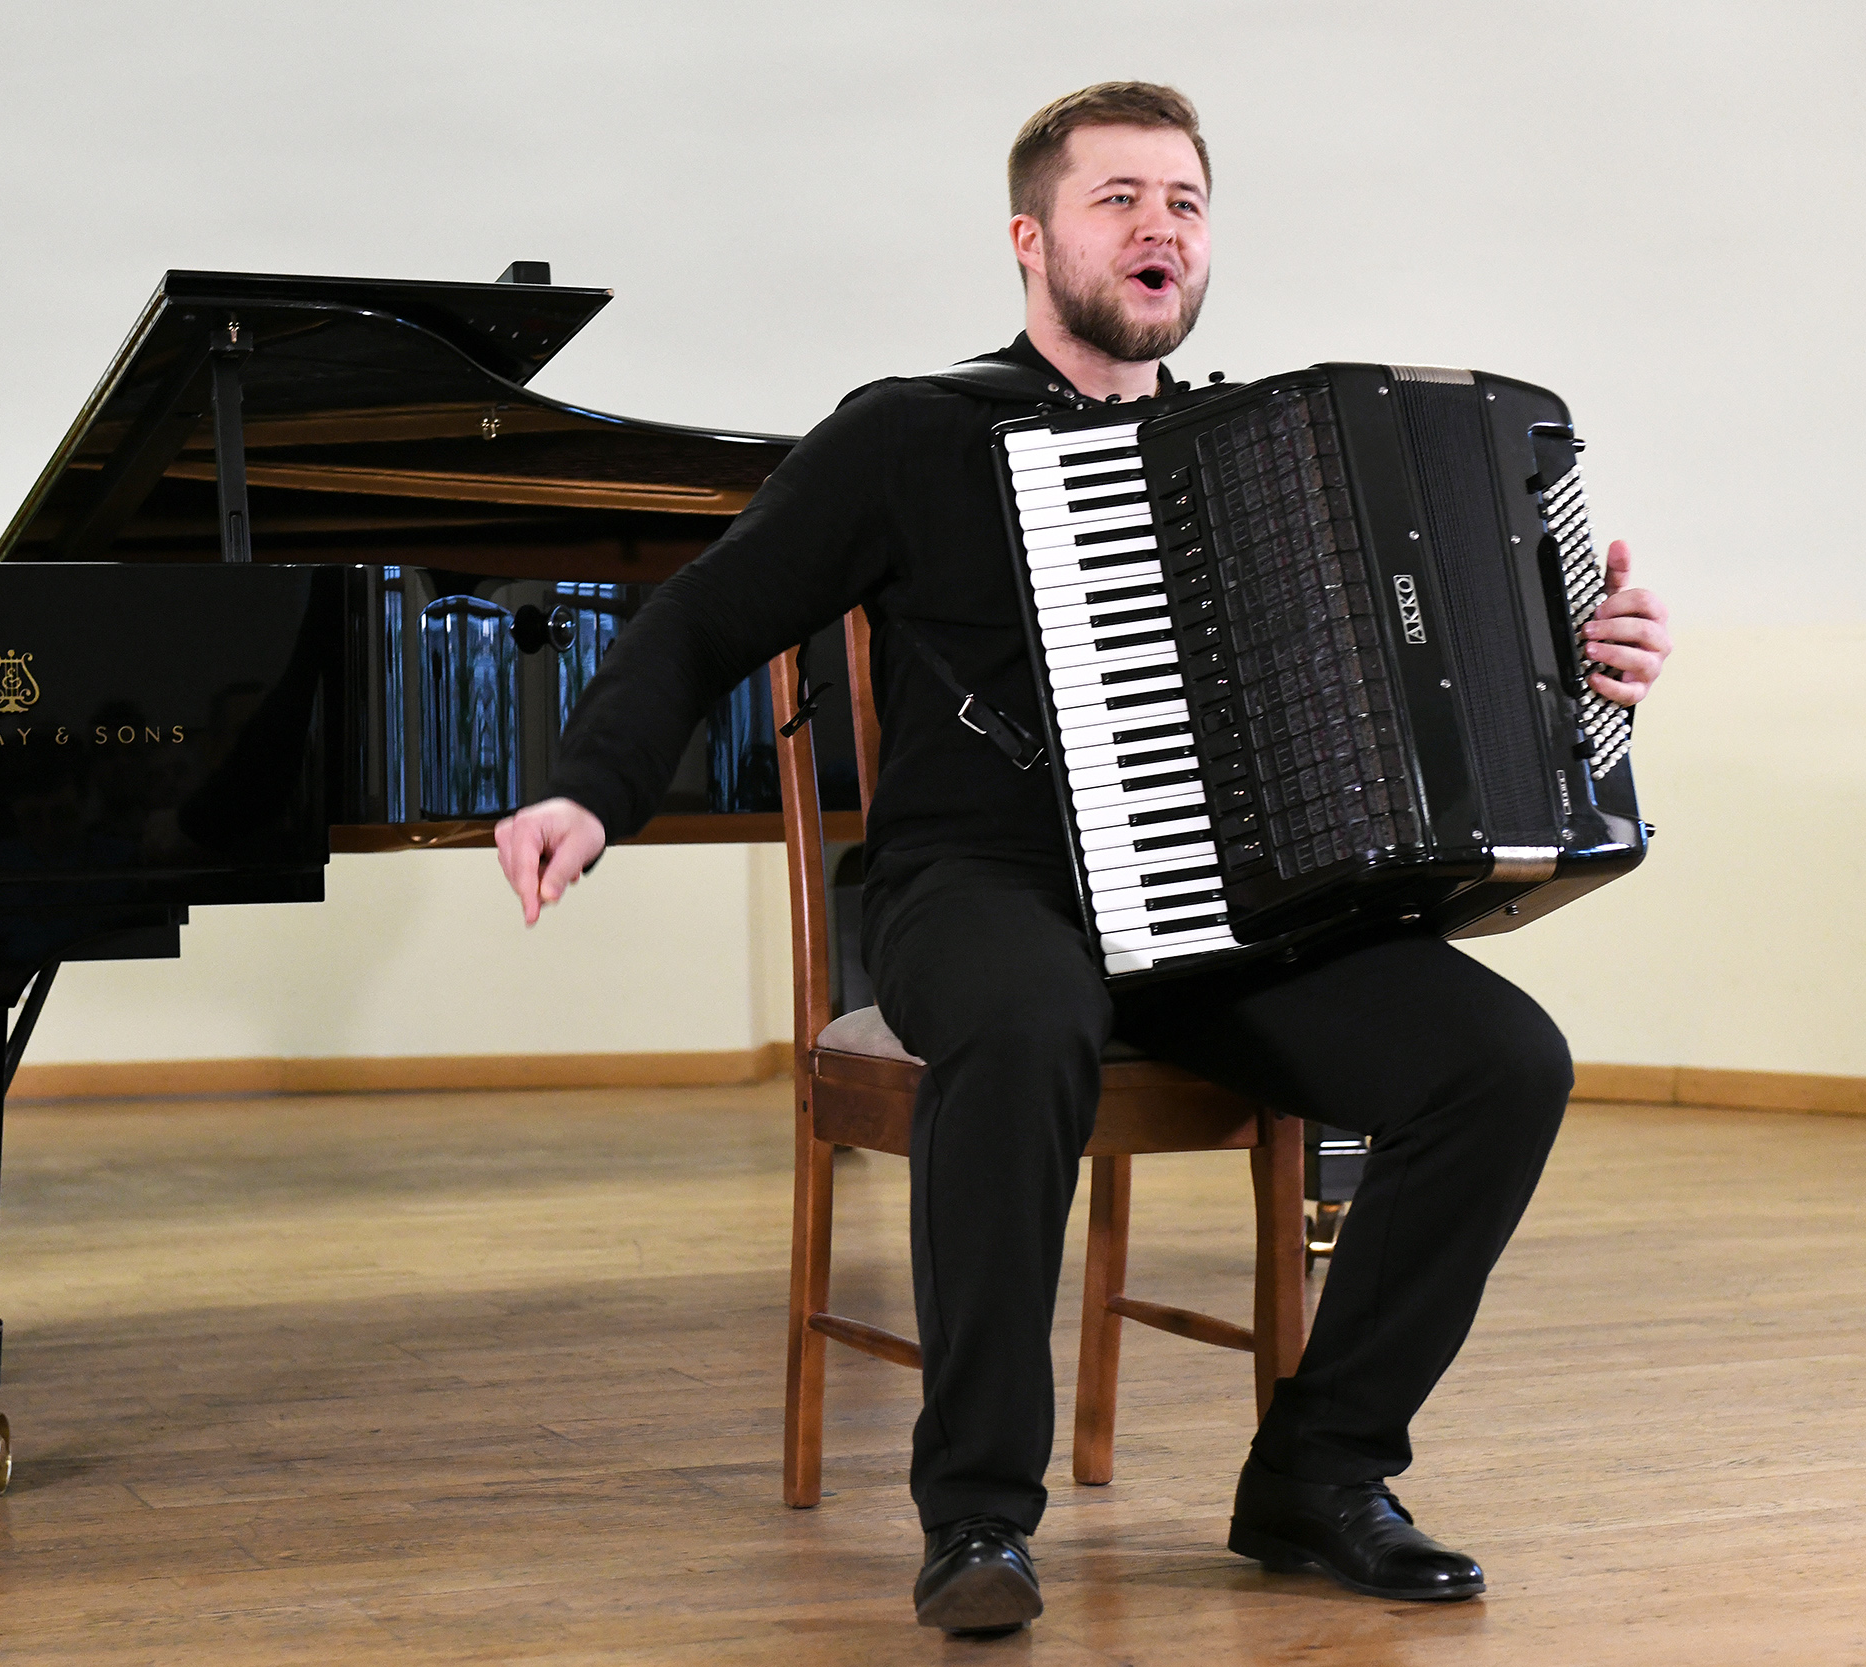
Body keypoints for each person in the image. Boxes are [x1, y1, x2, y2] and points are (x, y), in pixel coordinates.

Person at [494, 81, 1673, 1638]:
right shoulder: (913, 432)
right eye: (1118, 198)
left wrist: (1573, 662)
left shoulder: (1271, 457)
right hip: (978, 886)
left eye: (1183, 202)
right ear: (1030, 238)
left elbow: (1420, 695)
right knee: (1028, 1018)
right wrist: (587, 792)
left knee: (1502, 1063)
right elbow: (706, 619)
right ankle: (980, 1514)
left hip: (1222, 910)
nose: (1157, 226)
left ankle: (1318, 1475)